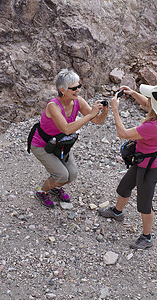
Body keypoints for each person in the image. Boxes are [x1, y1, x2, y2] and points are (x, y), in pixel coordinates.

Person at [99, 84, 157, 250]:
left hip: (151, 168)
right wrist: (132, 93)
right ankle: (117, 212)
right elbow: (148, 104)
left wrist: (115, 109)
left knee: (144, 204)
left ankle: (147, 238)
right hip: (143, 161)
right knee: (124, 187)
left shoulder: (152, 126)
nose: (147, 101)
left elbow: (123, 134)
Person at [29, 69, 109, 208]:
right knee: (61, 174)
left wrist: (105, 111)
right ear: (62, 90)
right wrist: (90, 115)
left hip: (60, 144)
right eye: (74, 88)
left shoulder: (78, 101)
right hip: (42, 145)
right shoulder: (53, 106)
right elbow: (66, 129)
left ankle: (56, 187)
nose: (78, 90)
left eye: (79, 86)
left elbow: (97, 121)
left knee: (71, 175)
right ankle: (41, 192)